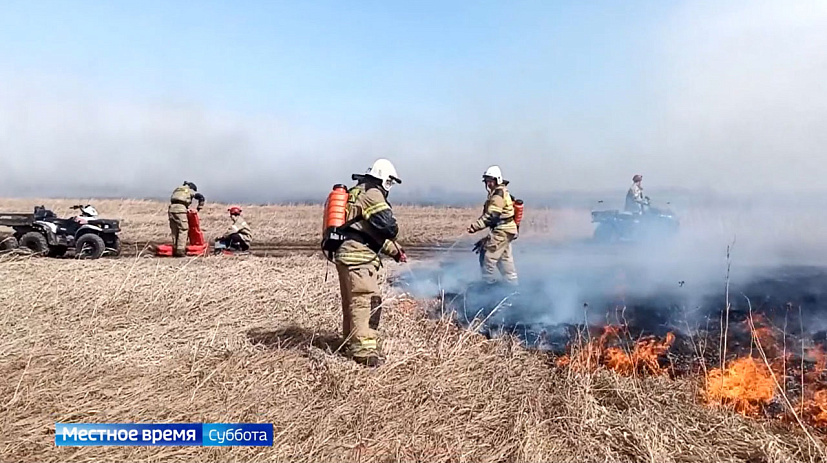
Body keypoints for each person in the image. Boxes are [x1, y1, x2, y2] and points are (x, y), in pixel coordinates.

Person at [333, 159, 405, 367]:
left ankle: (350, 342)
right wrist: (394, 236)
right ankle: (364, 351)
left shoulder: (358, 192)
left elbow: (367, 232)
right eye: (390, 182)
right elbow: (388, 227)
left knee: (352, 302)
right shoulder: (373, 194)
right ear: (384, 179)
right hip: (359, 258)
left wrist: (395, 252)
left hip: (346, 254)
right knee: (366, 301)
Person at [467, 165, 518, 285]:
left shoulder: (498, 195)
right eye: (486, 181)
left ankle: (488, 288)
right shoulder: (500, 192)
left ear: (497, 180)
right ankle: (513, 288)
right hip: (506, 230)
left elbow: (492, 215)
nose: (488, 184)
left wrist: (475, 226)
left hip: (502, 230)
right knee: (505, 261)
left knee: (487, 258)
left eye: (490, 181)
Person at [168, 181, 205, 257]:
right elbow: (201, 197)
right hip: (180, 209)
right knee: (183, 229)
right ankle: (180, 250)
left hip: (171, 209)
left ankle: (175, 248)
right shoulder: (188, 190)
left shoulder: (178, 189)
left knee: (175, 229)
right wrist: (199, 208)